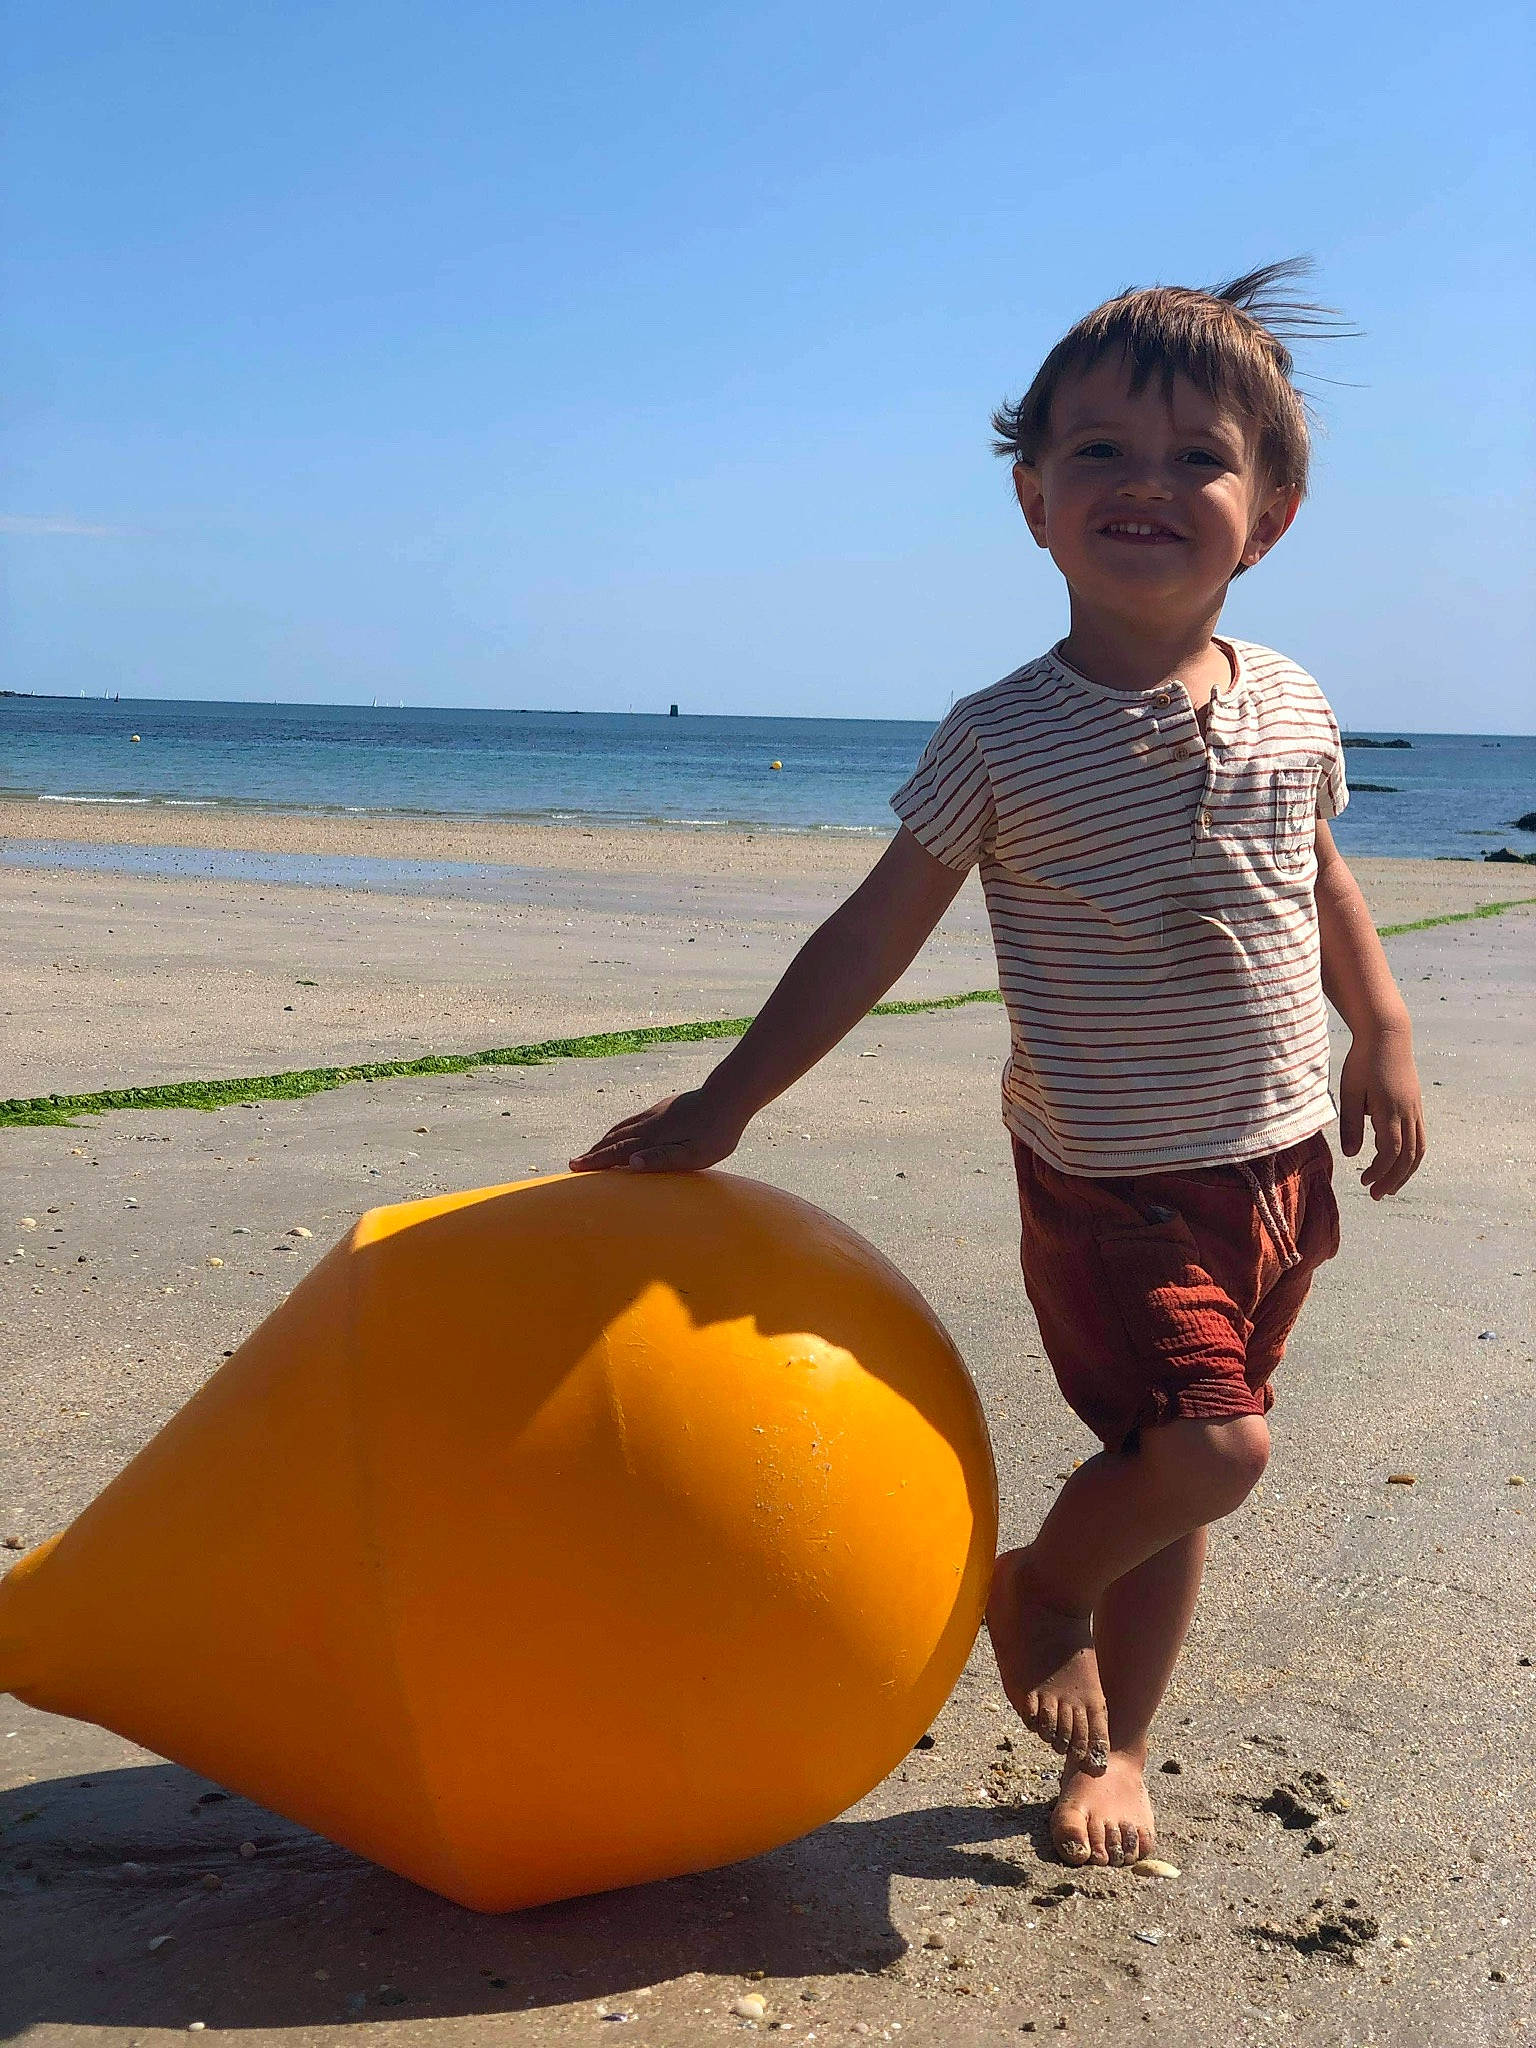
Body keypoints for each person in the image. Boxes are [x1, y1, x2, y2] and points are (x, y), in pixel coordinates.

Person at [570, 261, 1426, 1870]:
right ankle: (1040, 1586)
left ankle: (1121, 1751)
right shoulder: (1001, 736)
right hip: (1113, 1184)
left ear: (1272, 514)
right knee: (1214, 1447)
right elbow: (869, 935)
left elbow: (1323, 881)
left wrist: (1379, 1033)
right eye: (1099, 451)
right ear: (1034, 501)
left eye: (1197, 456)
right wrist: (724, 1104)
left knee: (1172, 1471)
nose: (1145, 483)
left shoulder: (1297, 702)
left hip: (1280, 1161)